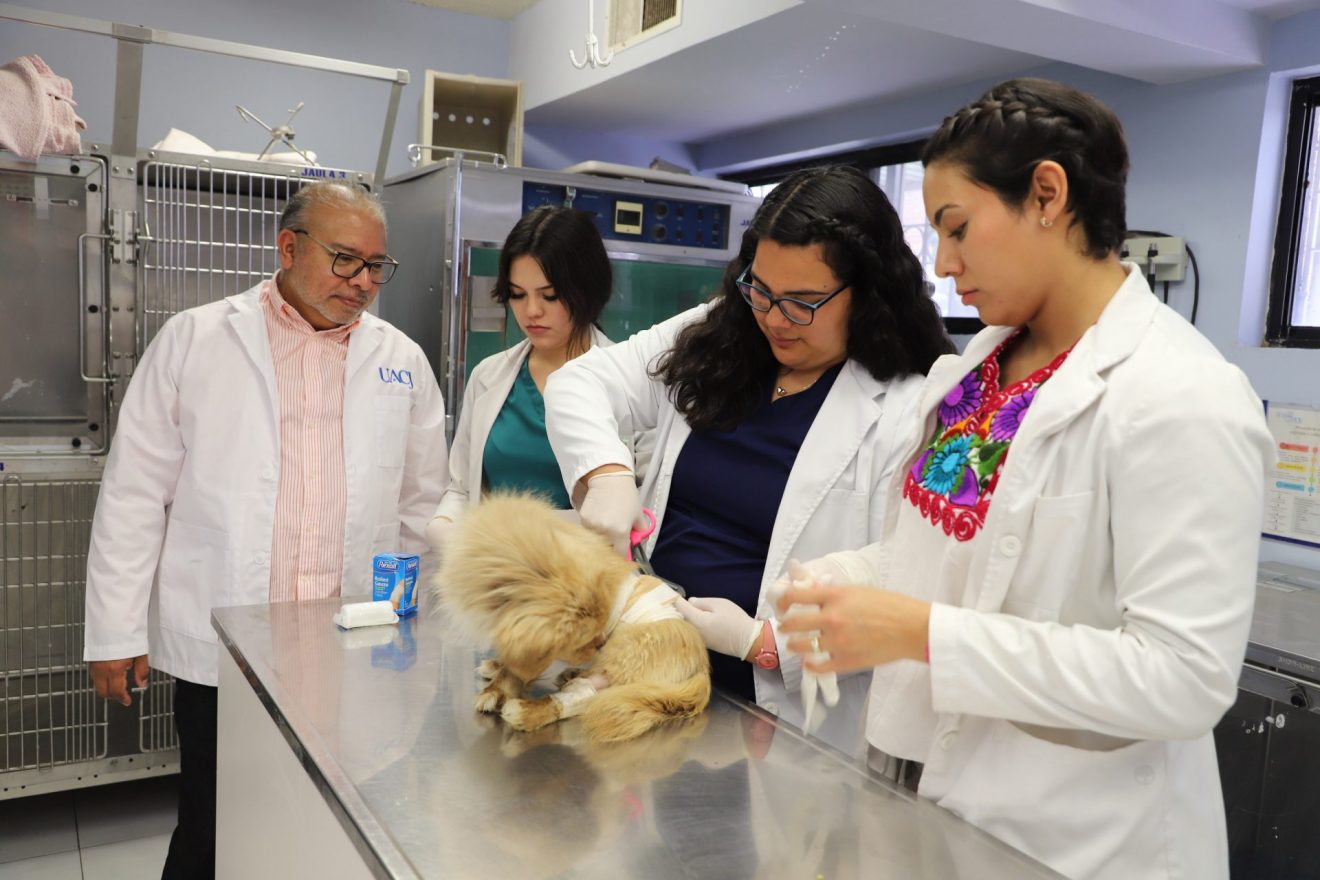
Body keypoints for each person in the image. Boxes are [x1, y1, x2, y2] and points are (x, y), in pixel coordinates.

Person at [774, 79, 1272, 880]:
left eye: (957, 227)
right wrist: (844, 580)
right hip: (920, 799)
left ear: (1047, 194)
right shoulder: (976, 368)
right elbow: (943, 559)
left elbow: (1182, 678)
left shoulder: (1183, 396)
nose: (943, 264)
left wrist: (919, 633)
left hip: (1072, 841)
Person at [82, 181, 448, 879]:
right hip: (232, 643)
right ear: (288, 247)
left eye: (377, 266)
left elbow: (421, 506)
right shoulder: (195, 339)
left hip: (352, 642)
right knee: (215, 827)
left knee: (334, 826)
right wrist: (115, 632)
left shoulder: (401, 360)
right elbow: (134, 494)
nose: (363, 281)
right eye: (346, 259)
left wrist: (413, 629)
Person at [544, 165, 954, 756]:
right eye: (760, 290)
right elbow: (579, 382)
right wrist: (606, 475)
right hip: (650, 666)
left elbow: (910, 569)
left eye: (803, 303)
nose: (774, 319)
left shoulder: (911, 406)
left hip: (780, 713)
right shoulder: (718, 333)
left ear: (868, 293)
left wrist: (763, 642)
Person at [425, 206, 618, 548]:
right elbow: (462, 488)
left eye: (550, 296)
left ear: (587, 289)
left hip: (589, 572)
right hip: (500, 571)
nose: (531, 311)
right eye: (517, 294)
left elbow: (648, 504)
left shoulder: (627, 381)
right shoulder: (488, 376)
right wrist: (444, 525)